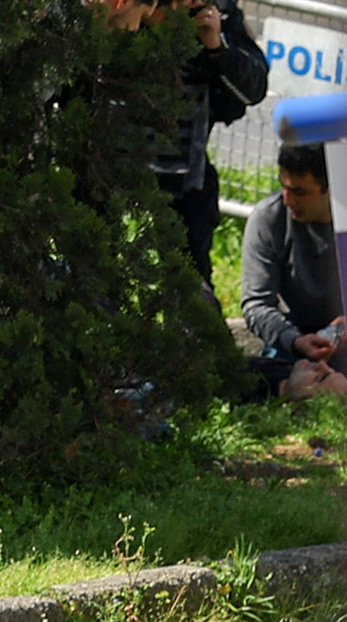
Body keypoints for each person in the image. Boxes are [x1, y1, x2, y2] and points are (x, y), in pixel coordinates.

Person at [148, 0, 268, 293]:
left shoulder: (217, 15)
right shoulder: (133, 9)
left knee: (190, 285)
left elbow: (254, 89)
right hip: (112, 170)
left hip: (185, 178)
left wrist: (217, 47)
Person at [240, 143, 344, 374]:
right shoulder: (269, 218)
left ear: (331, 187)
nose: (288, 201)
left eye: (300, 192)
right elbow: (256, 303)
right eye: (283, 187)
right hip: (292, 338)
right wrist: (296, 341)